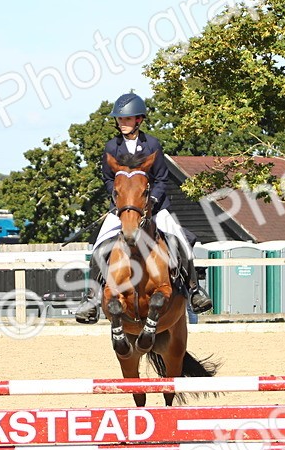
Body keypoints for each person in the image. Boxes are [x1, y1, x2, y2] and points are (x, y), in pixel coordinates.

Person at [74, 92, 213, 324]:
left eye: (126, 119)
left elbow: (161, 179)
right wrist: (120, 200)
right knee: (99, 246)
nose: (122, 123)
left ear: (138, 120)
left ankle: (194, 291)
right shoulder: (111, 147)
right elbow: (109, 179)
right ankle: (91, 299)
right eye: (119, 120)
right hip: (123, 207)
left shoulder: (152, 145)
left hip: (154, 207)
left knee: (180, 240)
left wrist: (152, 202)